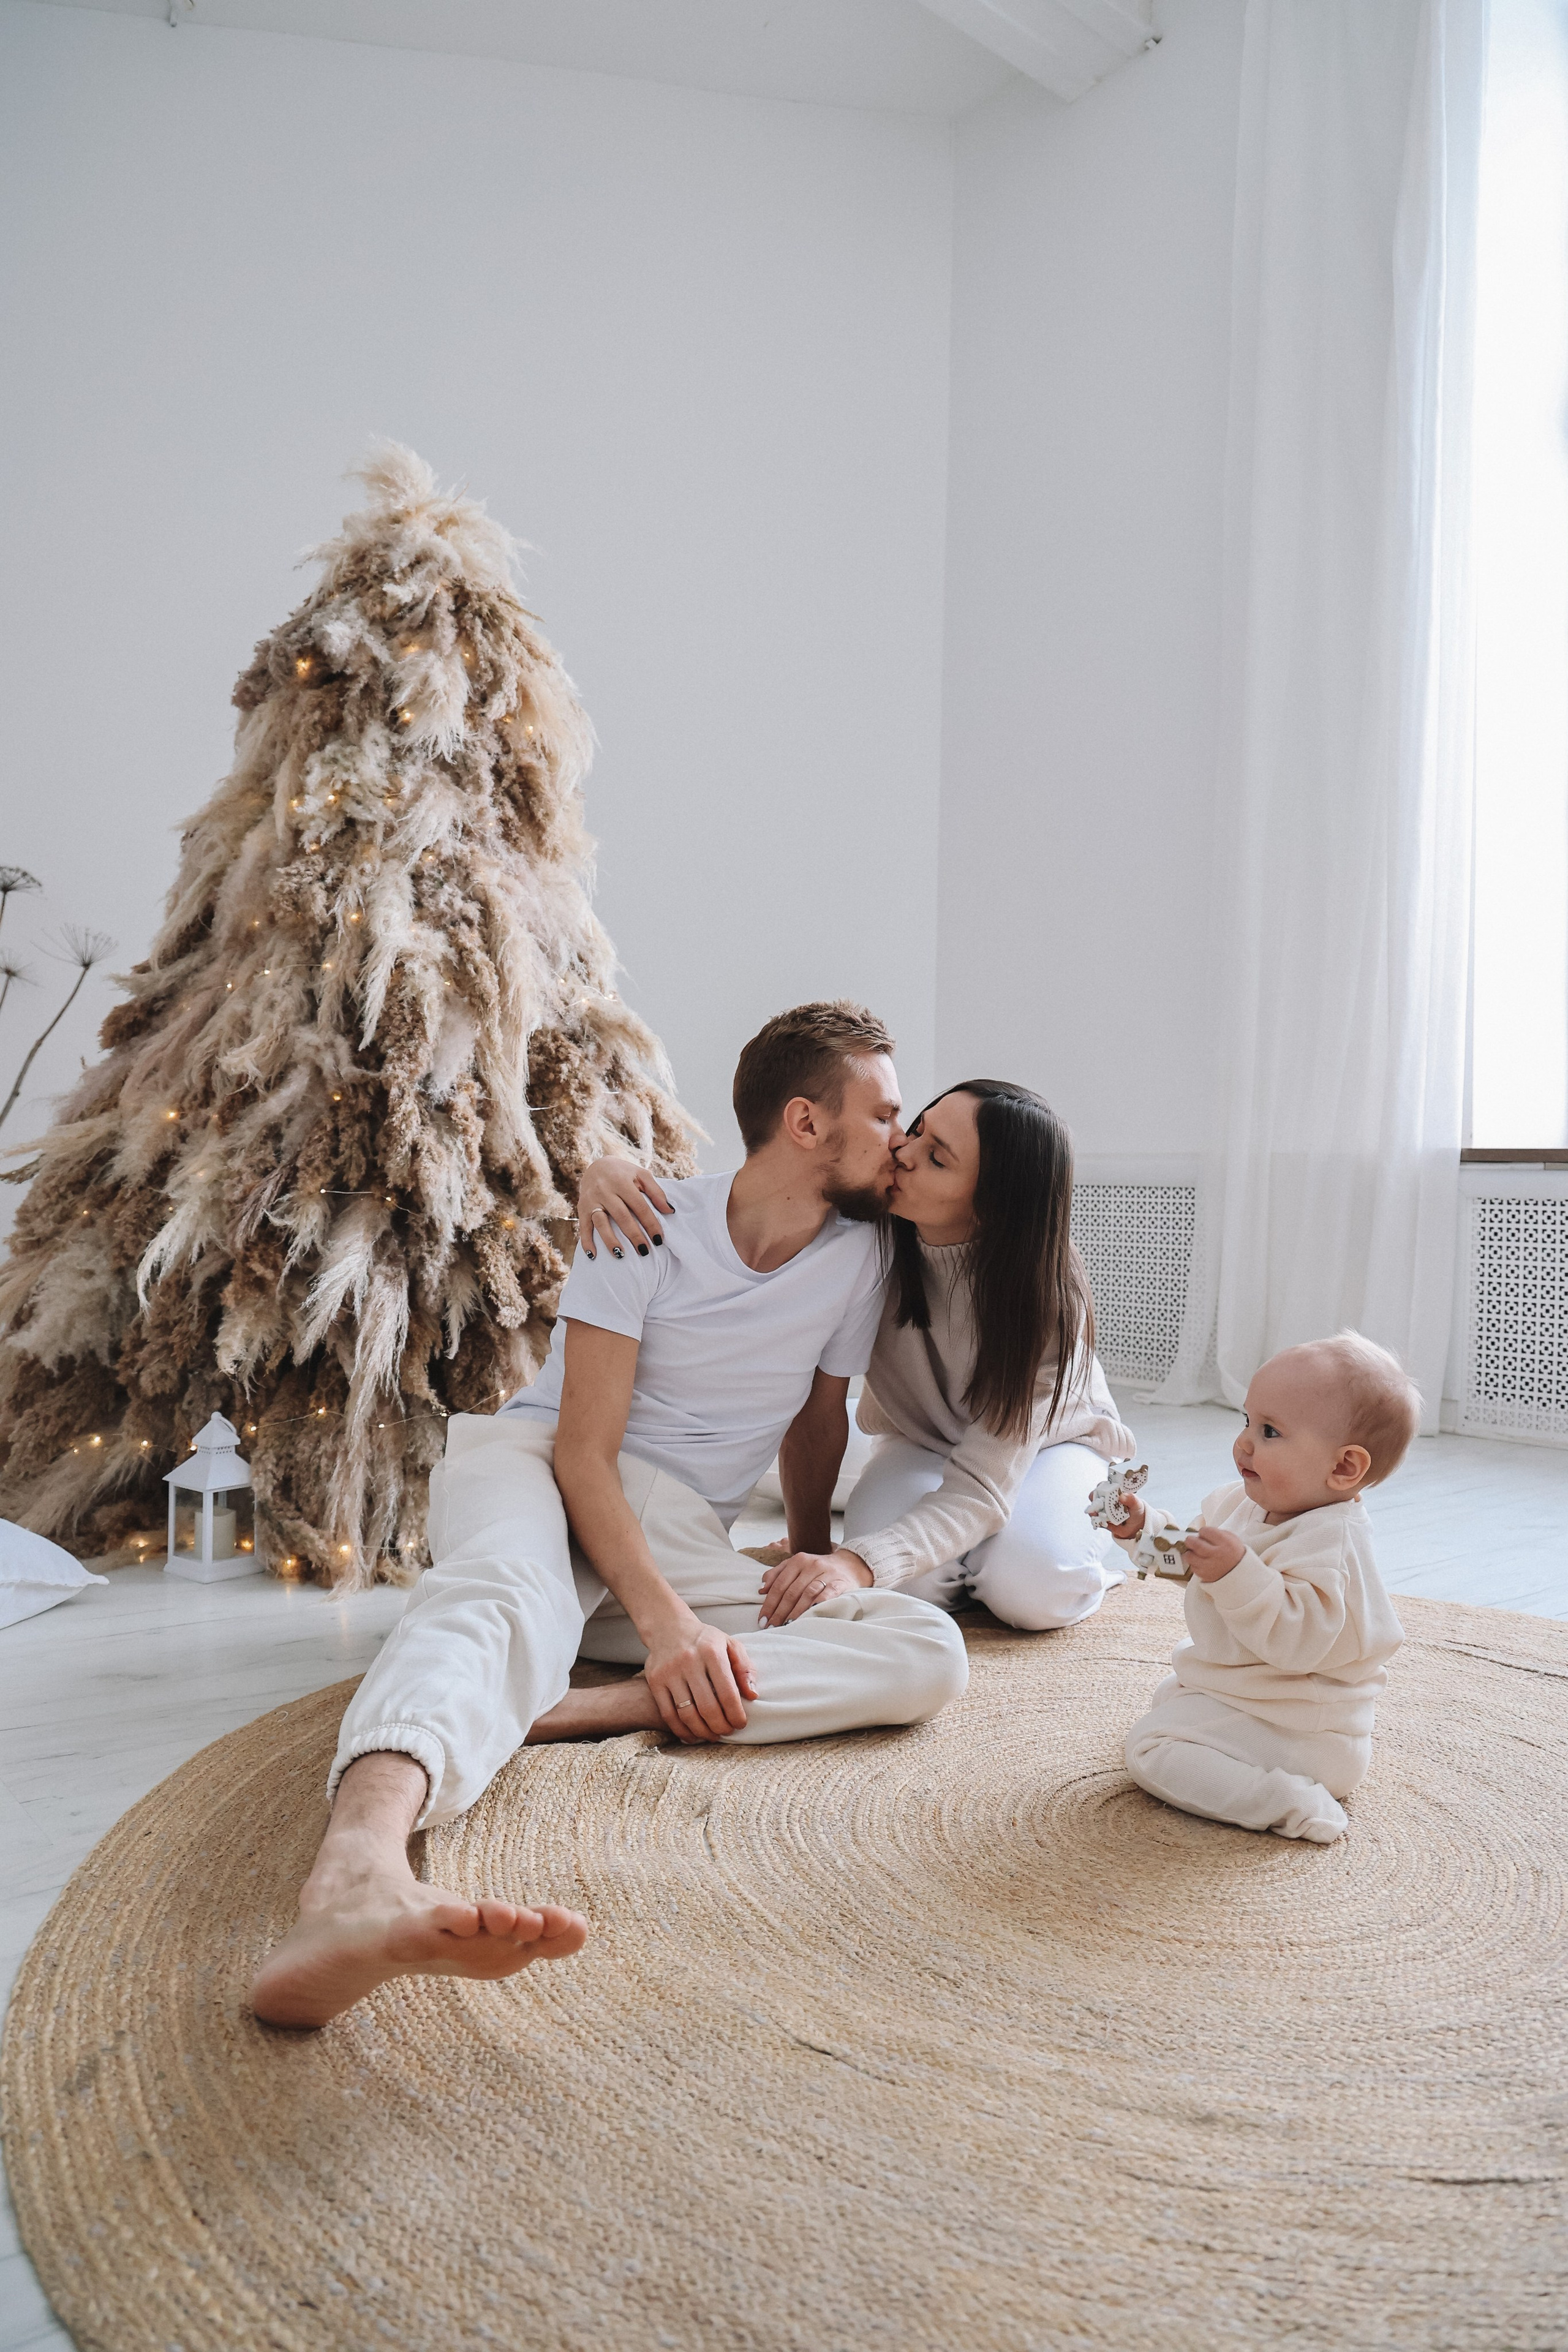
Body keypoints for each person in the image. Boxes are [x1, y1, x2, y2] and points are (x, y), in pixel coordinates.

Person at [250, 1002, 968, 2029]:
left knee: (924, 1652)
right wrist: (674, 1630)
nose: (901, 1139)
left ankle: (562, 1707)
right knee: (503, 1596)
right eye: (888, 1112)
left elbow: (820, 1421)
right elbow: (585, 1456)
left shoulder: (863, 1254)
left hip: (674, 1528)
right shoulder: (644, 1224)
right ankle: (355, 1880)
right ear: (806, 1123)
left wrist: (809, 1558)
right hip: (544, 1467)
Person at [575, 1079, 1134, 1635]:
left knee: (1033, 1588)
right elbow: (759, 1198)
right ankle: (979, 1557)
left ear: (991, 1207)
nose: (902, 1152)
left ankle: (1073, 1555)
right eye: (917, 1128)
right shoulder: (872, 1229)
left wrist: (855, 1560)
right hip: (920, 1442)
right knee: (910, 1587)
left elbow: (983, 1485)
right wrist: (605, 1174)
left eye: (935, 1157)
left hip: (1046, 1449)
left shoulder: (1048, 1294)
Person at [1112, 1332, 1414, 1844]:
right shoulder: (1242, 1502)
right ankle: (1224, 1743)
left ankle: (1287, 1801)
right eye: (1247, 1420)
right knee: (1171, 1695)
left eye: (1271, 1431)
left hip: (1307, 1729)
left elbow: (1299, 1641)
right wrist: (1142, 1530)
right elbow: (1194, 1559)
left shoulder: (1331, 1544)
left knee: (1151, 1749)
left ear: (1343, 1467)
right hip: (1253, 1695)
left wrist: (1237, 1574)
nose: (1245, 1442)